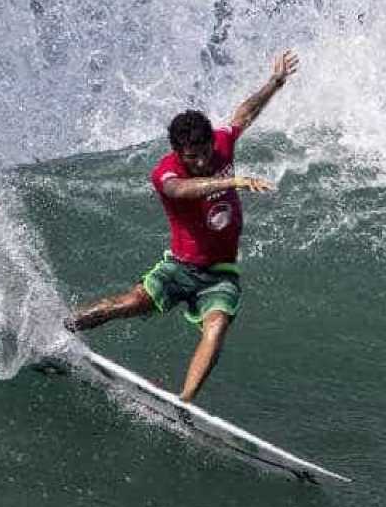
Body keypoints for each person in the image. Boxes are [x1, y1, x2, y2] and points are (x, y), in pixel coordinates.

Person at [65, 51, 299, 403]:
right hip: (178, 267)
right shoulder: (166, 172)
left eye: (205, 151)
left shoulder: (220, 145)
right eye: (193, 157)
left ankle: (184, 402)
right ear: (177, 152)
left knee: (216, 326)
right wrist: (230, 183)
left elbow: (243, 115)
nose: (203, 161)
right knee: (128, 303)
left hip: (220, 273)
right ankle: (60, 330)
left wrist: (275, 82)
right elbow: (181, 190)